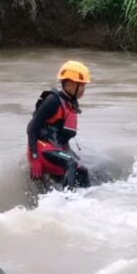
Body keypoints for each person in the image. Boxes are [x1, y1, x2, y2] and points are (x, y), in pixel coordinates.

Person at [26, 60, 91, 190]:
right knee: (71, 163)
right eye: (81, 85)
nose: (84, 90)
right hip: (42, 149)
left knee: (83, 170)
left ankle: (87, 203)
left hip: (56, 148)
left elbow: (61, 136)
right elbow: (31, 128)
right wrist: (35, 159)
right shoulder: (53, 101)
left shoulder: (69, 103)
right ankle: (68, 200)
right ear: (70, 84)